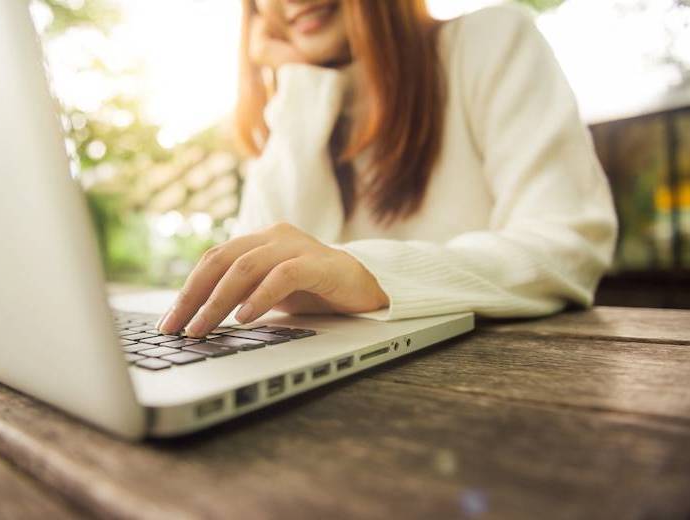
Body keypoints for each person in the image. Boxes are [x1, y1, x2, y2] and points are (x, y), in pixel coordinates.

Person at [158, 0, 618, 338]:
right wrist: (299, 85)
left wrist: (371, 275)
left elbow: (567, 246)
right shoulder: (296, 108)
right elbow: (265, 290)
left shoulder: (491, 40)